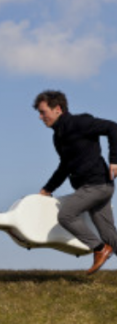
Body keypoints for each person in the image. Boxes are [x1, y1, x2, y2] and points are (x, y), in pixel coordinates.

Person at [35, 90, 117, 275]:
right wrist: (48, 189)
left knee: (66, 215)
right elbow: (65, 166)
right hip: (94, 188)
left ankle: (99, 249)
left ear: (57, 109)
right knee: (110, 236)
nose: (40, 117)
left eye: (43, 112)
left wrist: (114, 159)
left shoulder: (80, 123)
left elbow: (113, 127)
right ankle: (105, 246)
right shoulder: (58, 137)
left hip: (97, 185)